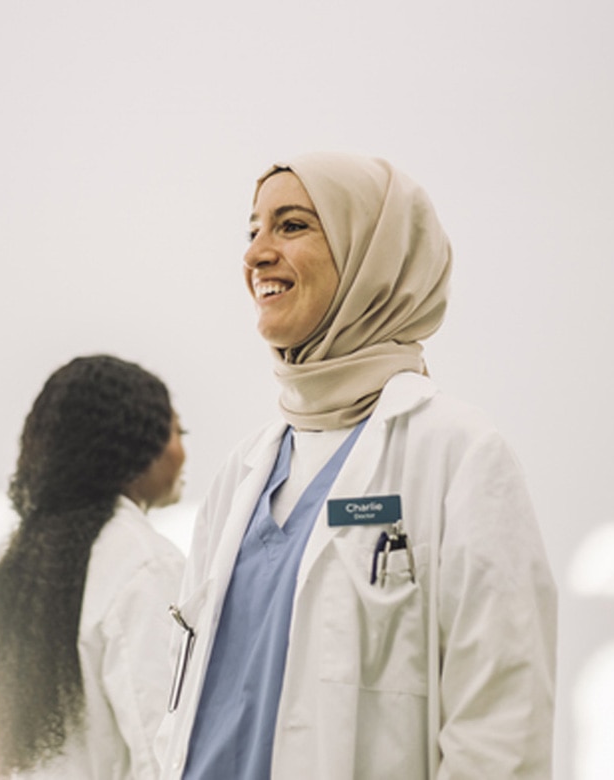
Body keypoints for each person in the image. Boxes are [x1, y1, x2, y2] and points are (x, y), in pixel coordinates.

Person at [157, 153, 557, 778]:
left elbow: (502, 730)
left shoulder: (458, 456)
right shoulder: (243, 472)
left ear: (373, 254)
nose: (257, 253)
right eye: (253, 230)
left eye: (291, 226)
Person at [0, 355, 186, 779]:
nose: (182, 452)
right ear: (137, 445)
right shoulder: (146, 565)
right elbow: (166, 751)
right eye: (177, 432)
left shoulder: (30, 566)